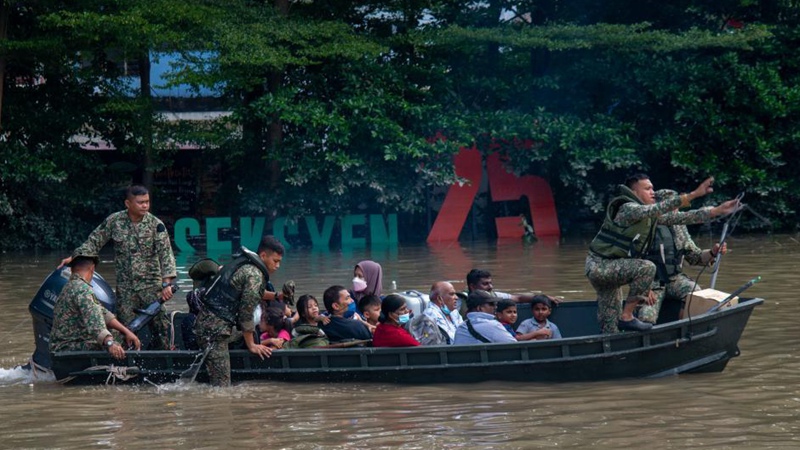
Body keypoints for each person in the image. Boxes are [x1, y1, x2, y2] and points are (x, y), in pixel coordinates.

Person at [585, 174, 740, 333]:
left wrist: (716, 211)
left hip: (617, 270)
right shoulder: (628, 209)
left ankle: (613, 349)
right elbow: (637, 265)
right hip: (605, 267)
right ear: (634, 191)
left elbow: (686, 218)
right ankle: (628, 318)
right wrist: (693, 195)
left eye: (653, 188)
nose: (652, 192)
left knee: (610, 324)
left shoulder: (655, 221)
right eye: (647, 189)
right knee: (646, 273)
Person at [58, 185, 177, 350]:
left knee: (160, 325)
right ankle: (124, 361)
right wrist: (75, 257)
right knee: (125, 326)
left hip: (151, 285)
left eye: (147, 202)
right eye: (140, 202)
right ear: (128, 203)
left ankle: (165, 356)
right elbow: (94, 241)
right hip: (125, 286)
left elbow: (166, 255)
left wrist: (166, 284)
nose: (145, 206)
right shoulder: (115, 221)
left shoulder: (156, 225)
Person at [193, 237, 281, 386]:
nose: (277, 266)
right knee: (222, 387)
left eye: (279, 262)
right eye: (275, 261)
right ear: (264, 256)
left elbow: (249, 292)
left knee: (248, 334)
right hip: (215, 332)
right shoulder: (255, 275)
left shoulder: (245, 266)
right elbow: (246, 314)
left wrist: (277, 296)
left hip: (209, 324)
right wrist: (252, 346)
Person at [639, 190, 727, 324]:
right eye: (671, 207)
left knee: (695, 292)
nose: (675, 211)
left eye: (676, 207)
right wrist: (644, 287)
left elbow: (694, 256)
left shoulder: (680, 227)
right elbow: (634, 261)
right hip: (652, 283)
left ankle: (682, 329)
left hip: (675, 279)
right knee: (646, 317)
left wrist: (713, 252)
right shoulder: (645, 227)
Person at [50, 253, 141, 359]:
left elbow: (102, 313)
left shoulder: (69, 286)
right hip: (68, 349)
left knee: (119, 335)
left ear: (72, 270)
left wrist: (126, 331)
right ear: (92, 268)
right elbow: (95, 324)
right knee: (118, 342)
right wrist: (110, 343)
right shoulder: (83, 289)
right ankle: (123, 372)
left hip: (61, 347)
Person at [412, 281, 463, 345]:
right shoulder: (430, 316)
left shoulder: (454, 312)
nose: (456, 297)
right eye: (451, 294)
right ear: (439, 298)